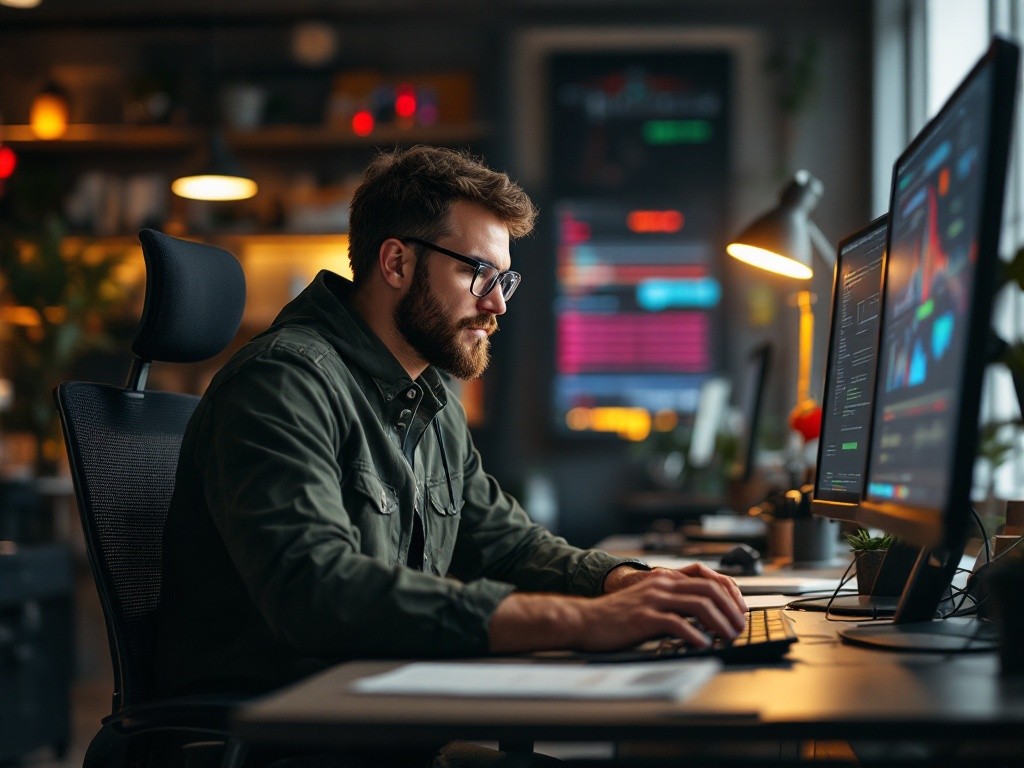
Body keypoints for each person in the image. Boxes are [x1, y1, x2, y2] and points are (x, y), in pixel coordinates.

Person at [154, 145, 746, 765]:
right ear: (396, 262)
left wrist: (621, 582)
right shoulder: (282, 382)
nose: (498, 304)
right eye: (477, 274)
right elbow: (319, 589)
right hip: (281, 746)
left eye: (504, 279)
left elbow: (508, 544)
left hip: (385, 729)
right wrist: (583, 621)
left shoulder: (430, 401)